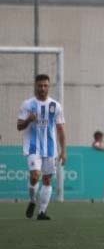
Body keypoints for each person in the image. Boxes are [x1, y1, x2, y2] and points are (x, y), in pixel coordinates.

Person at [17, 74, 67, 220]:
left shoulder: (55, 106)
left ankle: (42, 212)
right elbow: (19, 126)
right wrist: (28, 120)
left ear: (48, 87)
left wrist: (64, 151)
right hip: (33, 147)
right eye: (40, 85)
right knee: (35, 176)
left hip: (50, 149)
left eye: (45, 85)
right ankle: (33, 200)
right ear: (35, 86)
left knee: (47, 180)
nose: (42, 88)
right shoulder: (27, 104)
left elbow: (61, 130)